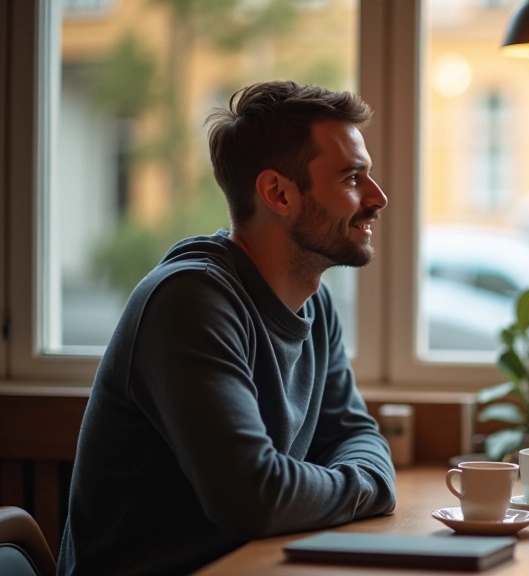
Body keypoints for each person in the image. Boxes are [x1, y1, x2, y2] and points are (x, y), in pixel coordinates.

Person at [57, 81, 397, 575]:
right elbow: (253, 498)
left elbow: (357, 435)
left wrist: (349, 477)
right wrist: (367, 483)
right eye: (351, 178)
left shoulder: (315, 304)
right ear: (277, 193)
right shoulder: (190, 301)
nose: (378, 197)